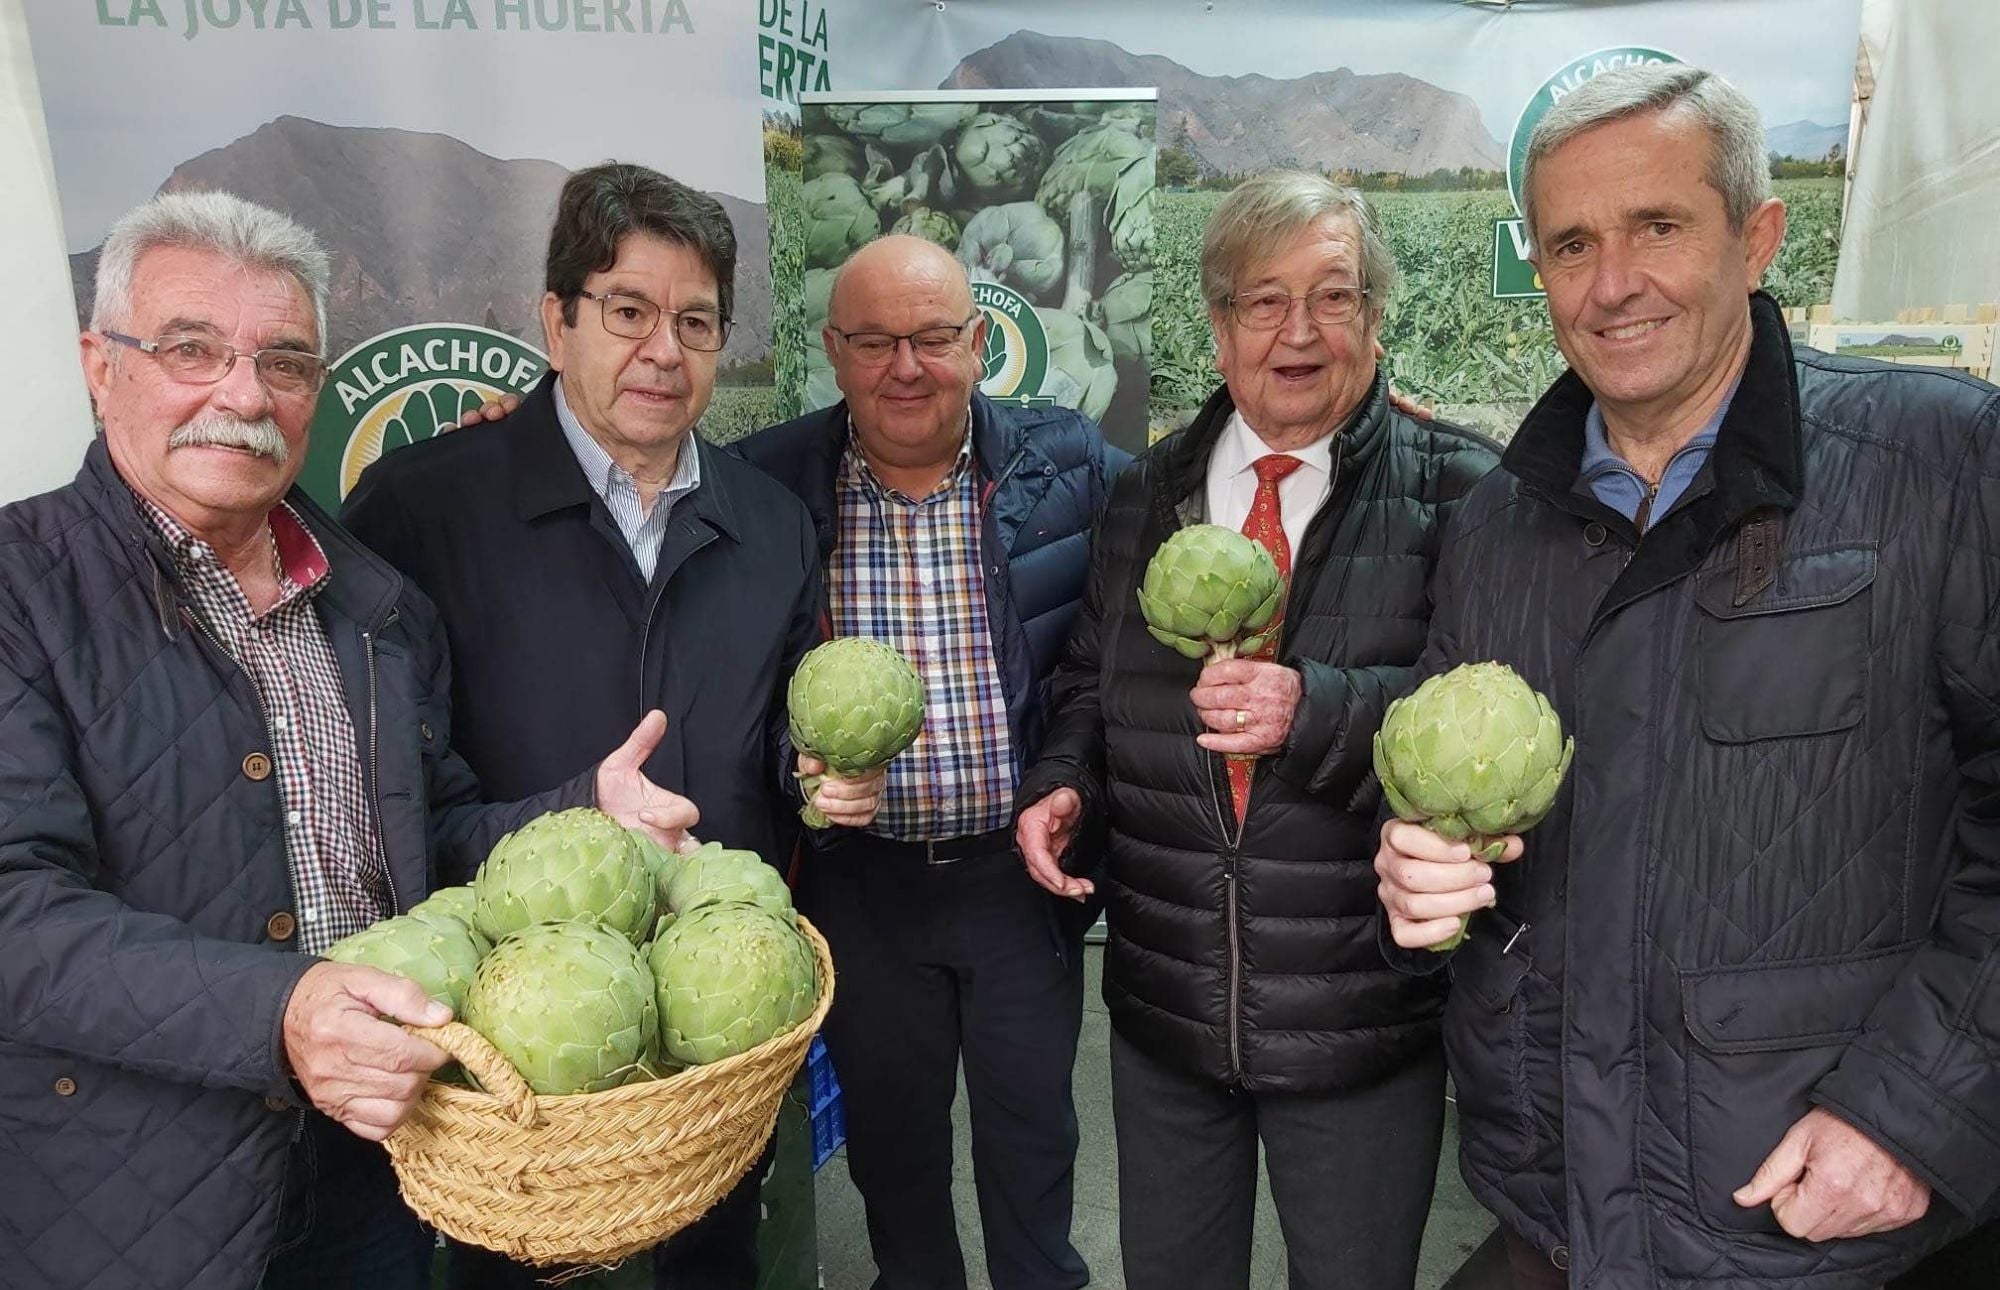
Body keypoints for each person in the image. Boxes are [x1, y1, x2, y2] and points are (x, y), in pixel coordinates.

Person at [1373, 63, 2000, 1290]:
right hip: (1559, 1210)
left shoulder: (1944, 461)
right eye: (1568, 243)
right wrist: (1415, 866)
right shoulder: (1498, 522)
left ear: (1756, 236)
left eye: (1655, 226)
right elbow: (1458, 828)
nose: (1609, 286)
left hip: (1823, 1225)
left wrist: (1915, 1116)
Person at [0, 190, 698, 1290]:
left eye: (283, 361)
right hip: (132, 1192)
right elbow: (14, 912)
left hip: (378, 1162)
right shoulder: (18, 592)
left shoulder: (371, 604)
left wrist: (579, 815)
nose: (242, 394)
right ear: (102, 363)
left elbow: (430, 840)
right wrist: (280, 1014)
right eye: (193, 348)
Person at [342, 162, 828, 1290]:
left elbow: (770, 742)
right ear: (554, 322)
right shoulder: (420, 508)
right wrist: (574, 817)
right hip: (517, 1036)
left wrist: (815, 783)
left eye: (696, 321)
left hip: (703, 1038)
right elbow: (386, 791)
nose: (664, 349)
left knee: (715, 1262)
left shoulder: (770, 521)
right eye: (626, 310)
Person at [1013, 172, 1500, 1290]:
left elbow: (1476, 715)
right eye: (1261, 302)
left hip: (1355, 1012)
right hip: (1168, 1005)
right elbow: (1092, 678)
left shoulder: (1461, 489)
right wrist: (1063, 786)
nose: (1297, 332)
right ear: (1219, 327)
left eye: (1331, 297)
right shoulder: (1144, 492)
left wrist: (1314, 705)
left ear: (1374, 318)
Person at [731, 234, 1122, 1290]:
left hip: (1015, 879)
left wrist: (1330, 423)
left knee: (1032, 1133)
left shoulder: (1063, 463)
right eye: (872, 340)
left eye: (935, 337)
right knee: (893, 1150)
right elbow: (726, 677)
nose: (905, 366)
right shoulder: (765, 485)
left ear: (980, 341)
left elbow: (1191, 497)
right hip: (859, 891)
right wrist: (795, 769)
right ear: (831, 350)